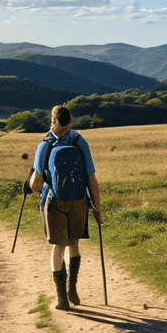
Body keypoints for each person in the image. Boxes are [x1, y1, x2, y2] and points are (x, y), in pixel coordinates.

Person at [26, 105, 102, 310]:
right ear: (70, 122)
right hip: (79, 200)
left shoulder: (45, 144)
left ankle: (62, 299)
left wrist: (33, 183)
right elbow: (91, 178)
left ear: (52, 121)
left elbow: (36, 184)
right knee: (74, 243)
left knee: (58, 247)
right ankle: (72, 290)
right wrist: (98, 210)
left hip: (54, 202)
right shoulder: (79, 141)